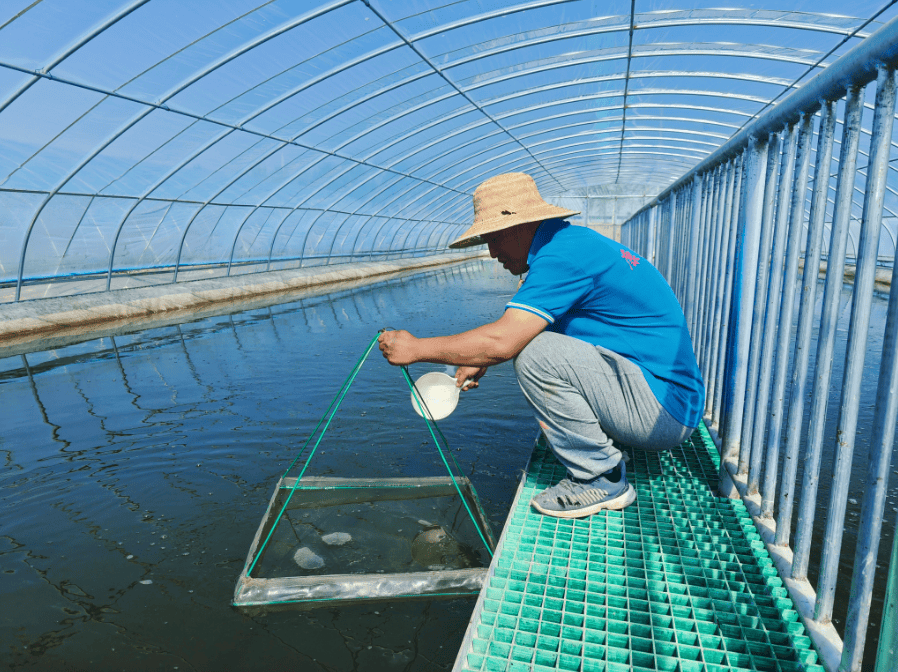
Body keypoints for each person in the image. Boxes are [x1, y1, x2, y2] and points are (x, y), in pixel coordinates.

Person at [378, 172, 704, 519]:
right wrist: (478, 357)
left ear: (517, 228)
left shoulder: (564, 257)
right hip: (661, 396)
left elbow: (503, 340)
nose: (491, 252)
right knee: (532, 342)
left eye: (493, 238)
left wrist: (416, 349)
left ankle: (600, 478)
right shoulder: (569, 245)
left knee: (537, 355)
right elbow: (516, 330)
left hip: (663, 412)